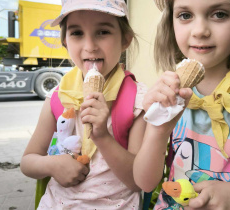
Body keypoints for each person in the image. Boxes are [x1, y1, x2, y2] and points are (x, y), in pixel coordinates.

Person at [133, 0, 230, 209]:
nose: (199, 31)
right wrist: (157, 131)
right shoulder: (169, 95)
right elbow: (144, 182)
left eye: (220, 14)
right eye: (185, 15)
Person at [20, 0, 147, 209]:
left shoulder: (138, 100)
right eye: (77, 33)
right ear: (64, 42)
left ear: (125, 40)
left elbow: (137, 181)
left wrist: (102, 136)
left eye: (103, 31)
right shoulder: (57, 97)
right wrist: (52, 164)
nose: (90, 46)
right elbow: (27, 162)